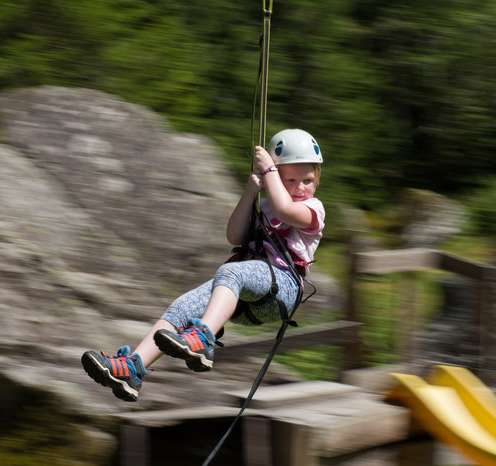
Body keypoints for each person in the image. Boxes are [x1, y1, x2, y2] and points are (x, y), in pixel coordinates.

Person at [81, 129, 325, 401]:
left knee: (230, 271)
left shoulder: (313, 209)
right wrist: (249, 193)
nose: (301, 187)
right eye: (290, 180)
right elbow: (235, 235)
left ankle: (203, 338)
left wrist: (269, 169)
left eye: (308, 180)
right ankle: (132, 368)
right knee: (183, 306)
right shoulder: (265, 205)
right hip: (247, 297)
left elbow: (284, 211)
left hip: (282, 290)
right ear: (276, 179)